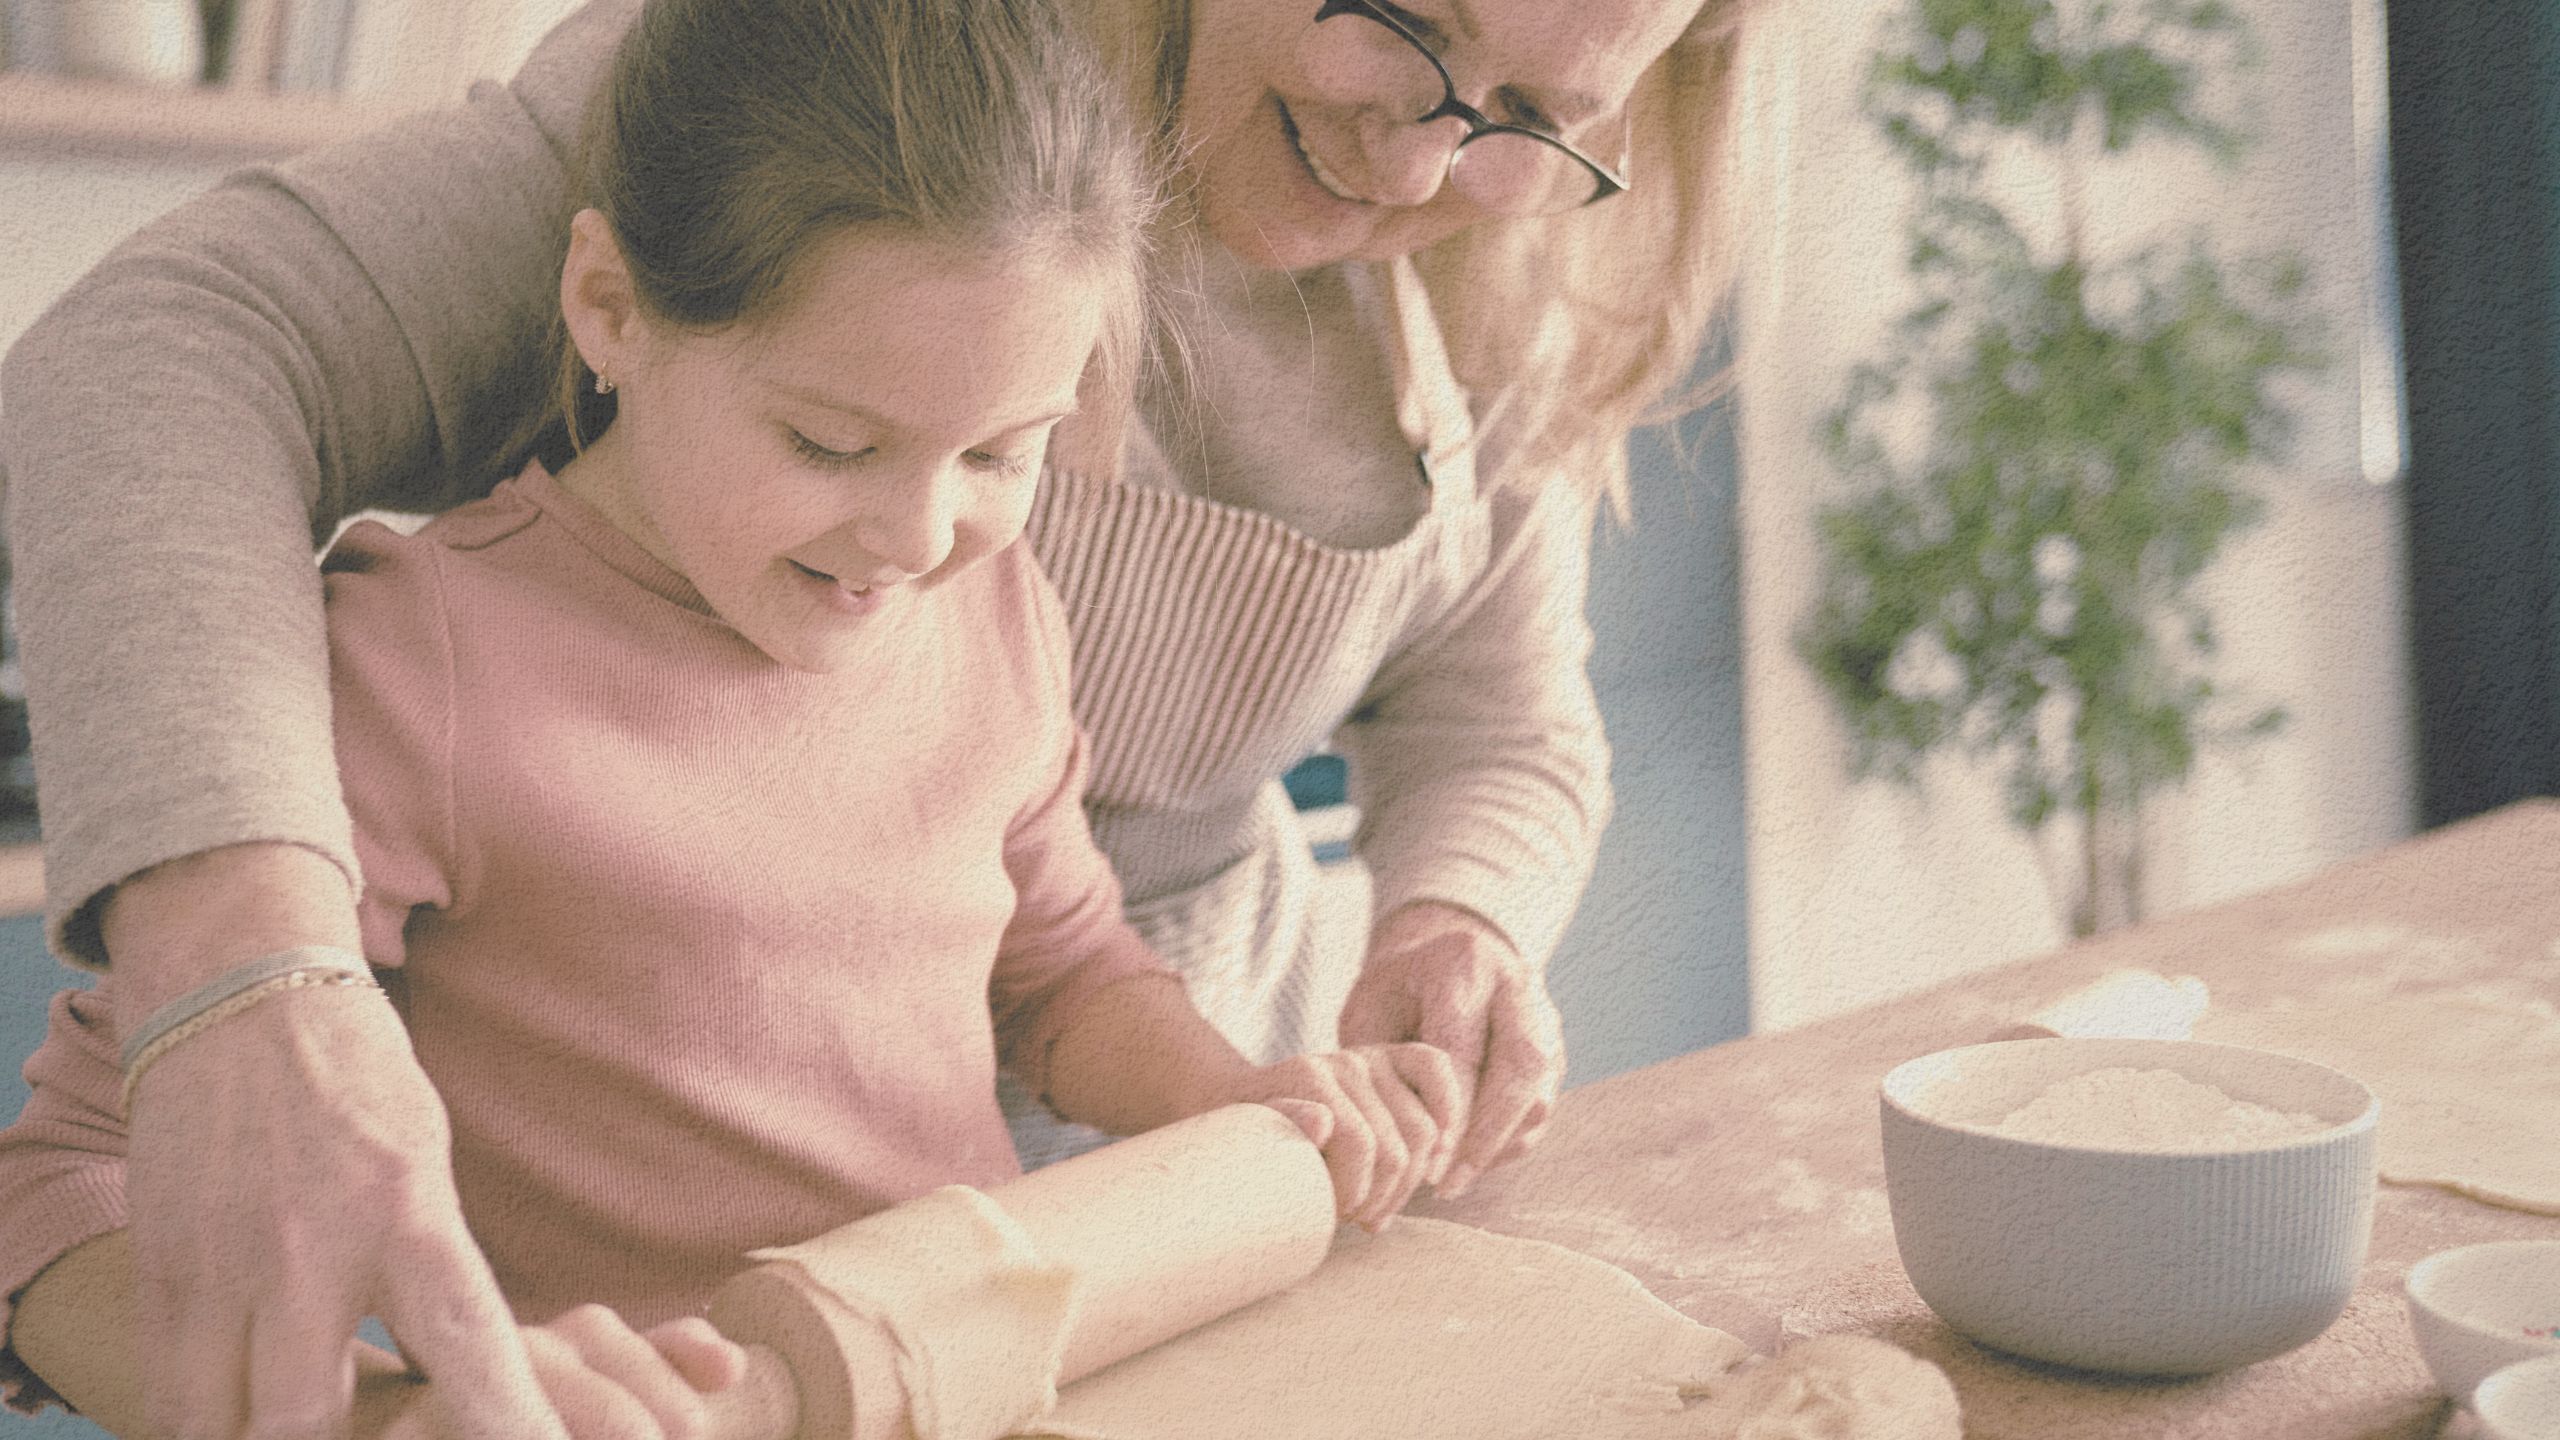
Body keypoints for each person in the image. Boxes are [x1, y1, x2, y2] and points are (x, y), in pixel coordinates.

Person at [0, 0, 1758, 1431]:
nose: (1435, 149)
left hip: (1083, 1285)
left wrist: (1281, 1085)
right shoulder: (429, 658)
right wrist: (386, 1383)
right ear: (606, 308)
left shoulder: (990, 603)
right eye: (1407, 22)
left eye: (1012, 454)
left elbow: (1104, 940)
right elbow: (77, 1188)